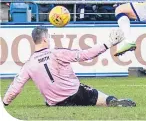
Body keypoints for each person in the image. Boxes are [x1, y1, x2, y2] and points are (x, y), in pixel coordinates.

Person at [3, 26, 136, 107]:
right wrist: (108, 43)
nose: (49, 39)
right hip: (75, 93)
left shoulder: (29, 64)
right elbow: (85, 55)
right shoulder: (57, 52)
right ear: (44, 39)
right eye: (48, 37)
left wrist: (5, 103)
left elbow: (17, 85)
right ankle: (112, 101)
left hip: (54, 103)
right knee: (100, 96)